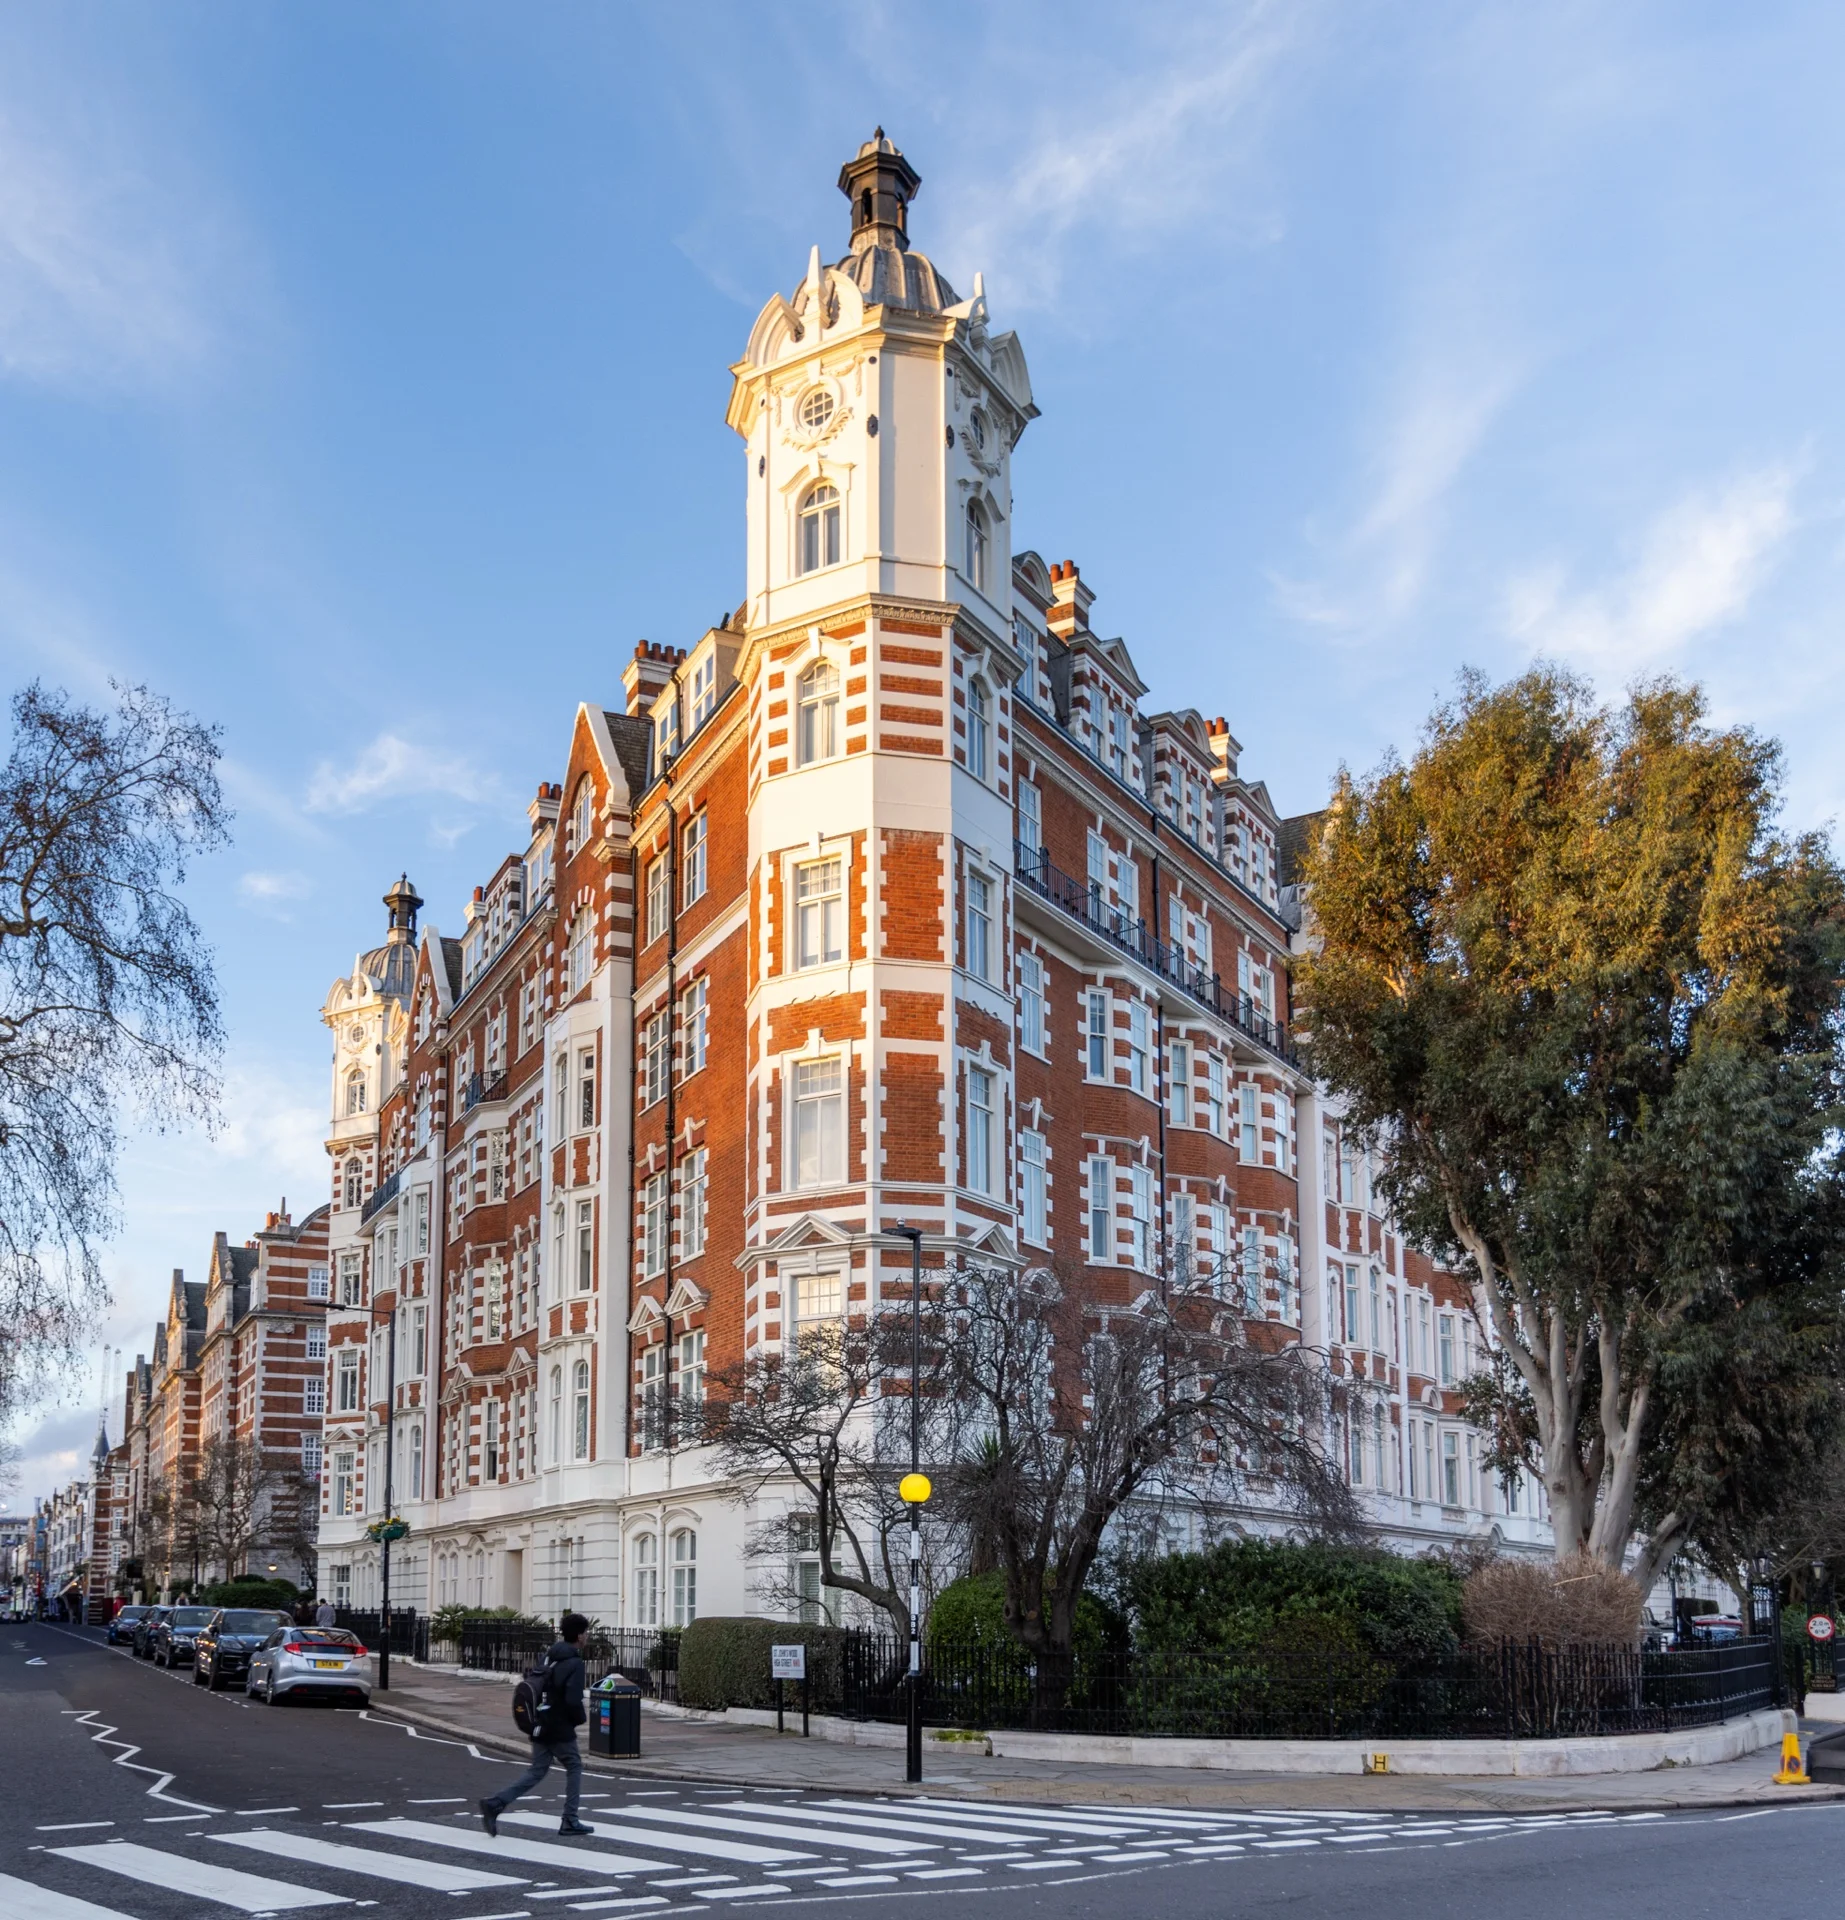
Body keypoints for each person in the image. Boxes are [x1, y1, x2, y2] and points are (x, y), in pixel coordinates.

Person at [479, 1613, 591, 1838]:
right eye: (586, 1632)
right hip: (559, 1726)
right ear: (579, 1636)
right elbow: (572, 1699)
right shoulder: (575, 1663)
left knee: (537, 1771)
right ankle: (570, 1820)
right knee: (574, 1766)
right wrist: (580, 1718)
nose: (588, 1636)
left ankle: (495, 1803)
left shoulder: (549, 1656)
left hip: (540, 1721)